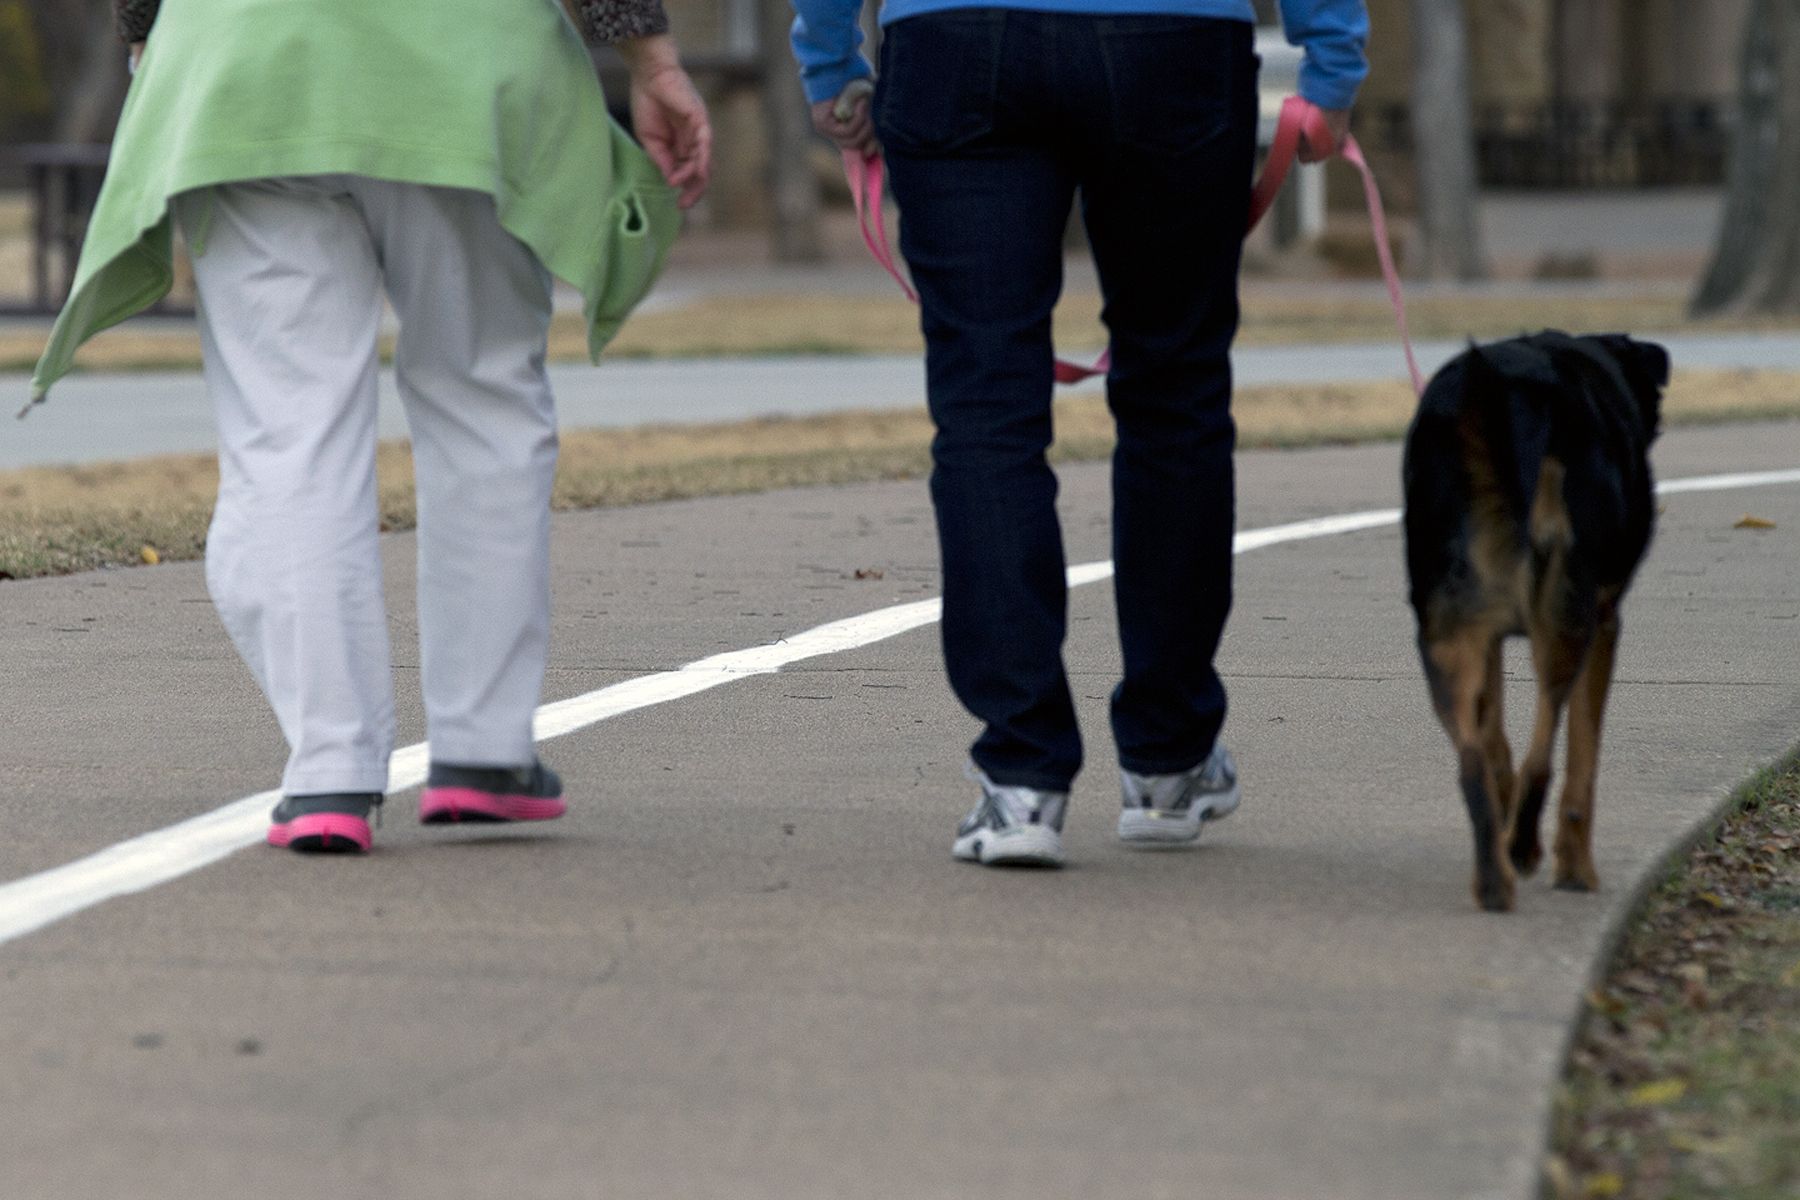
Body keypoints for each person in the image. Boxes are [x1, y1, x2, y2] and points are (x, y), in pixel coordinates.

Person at [29, 0, 712, 853]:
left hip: (249, 61)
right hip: (466, 63)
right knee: (484, 402)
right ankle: (486, 753)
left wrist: (142, 33)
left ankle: (329, 767)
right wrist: (651, 60)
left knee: (289, 429)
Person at [789, 0, 1367, 865]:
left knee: (986, 409)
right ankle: (1169, 760)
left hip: (957, 38)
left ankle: (1021, 780)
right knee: (1175, 391)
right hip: (1171, 41)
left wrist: (831, 58)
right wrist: (1332, 62)